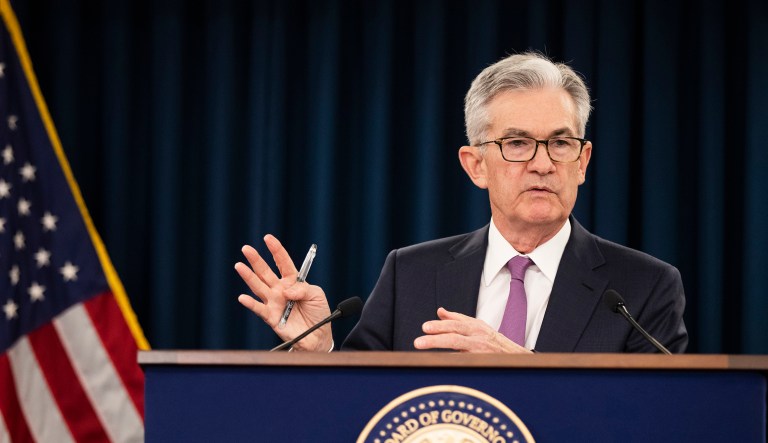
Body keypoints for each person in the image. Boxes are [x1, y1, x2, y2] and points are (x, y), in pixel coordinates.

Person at [234, 52, 688, 353]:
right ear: (475, 166)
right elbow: (365, 410)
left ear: (583, 161)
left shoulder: (643, 289)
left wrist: (525, 371)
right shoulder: (409, 273)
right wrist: (321, 351)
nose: (542, 163)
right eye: (516, 142)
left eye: (560, 143)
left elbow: (659, 420)